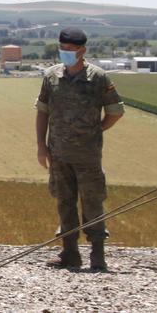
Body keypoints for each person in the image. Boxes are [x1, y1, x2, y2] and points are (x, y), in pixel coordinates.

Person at [35, 26, 125, 271]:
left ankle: (98, 255)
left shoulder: (98, 78)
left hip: (87, 155)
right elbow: (42, 111)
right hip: (58, 154)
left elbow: (116, 112)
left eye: (70, 49)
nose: (65, 52)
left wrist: (96, 131)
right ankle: (69, 253)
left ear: (82, 50)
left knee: (92, 202)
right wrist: (41, 147)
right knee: (64, 202)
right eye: (62, 48)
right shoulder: (51, 76)